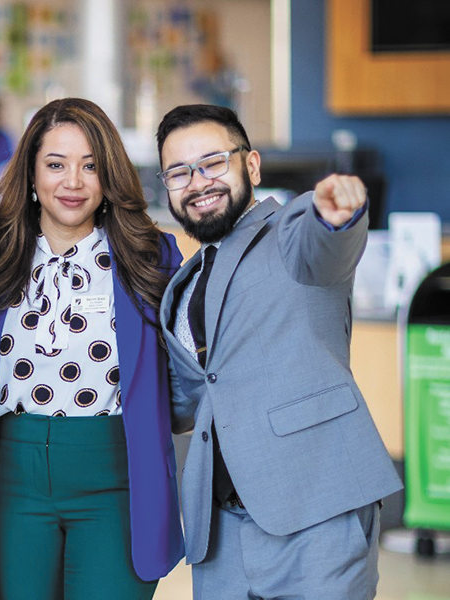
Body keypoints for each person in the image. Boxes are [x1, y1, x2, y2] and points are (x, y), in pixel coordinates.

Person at [155, 104, 402, 599]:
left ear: (252, 166)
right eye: (179, 171)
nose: (198, 181)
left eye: (213, 162)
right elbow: (190, 403)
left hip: (316, 515)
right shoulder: (183, 284)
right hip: (220, 530)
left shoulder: (290, 231)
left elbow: (324, 246)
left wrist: (338, 217)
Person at [0, 98, 184, 600]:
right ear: (29, 174)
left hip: (116, 481)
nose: (73, 182)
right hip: (11, 480)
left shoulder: (152, 258)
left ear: (109, 176)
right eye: (56, 164)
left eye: (90, 166)